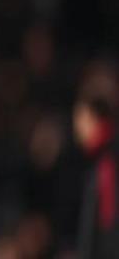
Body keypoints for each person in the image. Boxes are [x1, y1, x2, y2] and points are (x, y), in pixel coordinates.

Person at [74, 94, 119, 258]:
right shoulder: (98, 158)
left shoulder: (108, 159)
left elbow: (109, 220)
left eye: (80, 119)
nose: (77, 128)